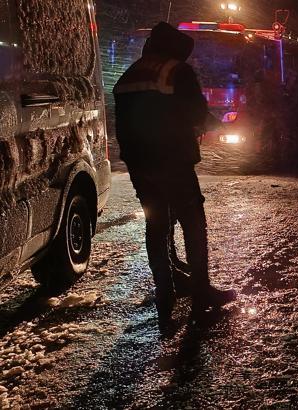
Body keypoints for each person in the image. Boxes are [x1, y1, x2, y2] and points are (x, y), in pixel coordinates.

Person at [114, 22, 236, 330]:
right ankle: (201, 293)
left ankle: (165, 293)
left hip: (140, 164)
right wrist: (214, 124)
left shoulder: (130, 74)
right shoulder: (176, 71)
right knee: (193, 222)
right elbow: (196, 114)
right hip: (173, 160)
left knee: (156, 225)